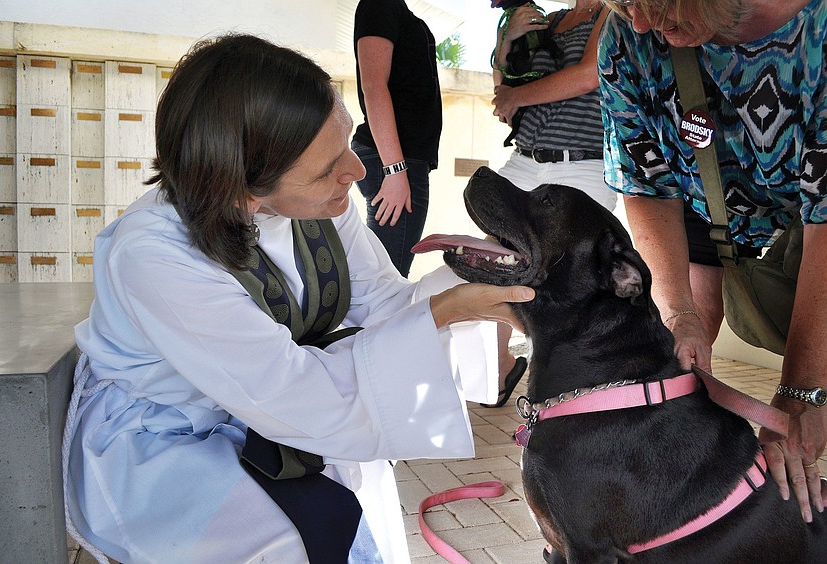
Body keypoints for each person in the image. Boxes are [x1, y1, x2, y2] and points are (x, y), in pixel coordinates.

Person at [62, 34, 533, 563]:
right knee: (283, 547)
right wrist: (445, 313)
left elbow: (384, 303)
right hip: (168, 435)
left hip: (270, 407)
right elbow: (292, 392)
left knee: (347, 522)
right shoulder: (154, 255)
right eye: (327, 166)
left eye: (348, 142)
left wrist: (475, 274)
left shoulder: (318, 204)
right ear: (243, 188)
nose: (356, 172)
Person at [597, 0, 827, 525]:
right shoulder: (630, 33)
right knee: (678, 366)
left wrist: (801, 391)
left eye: (650, 1)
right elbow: (646, 181)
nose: (636, 22)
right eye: (622, 3)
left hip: (812, 227)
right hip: (707, 207)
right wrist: (679, 315)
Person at [486, 0, 612, 408]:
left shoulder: (611, 13)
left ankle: (563, 391)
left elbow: (589, 75)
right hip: (525, 157)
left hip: (584, 161)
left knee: (563, 279)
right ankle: (499, 370)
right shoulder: (550, 19)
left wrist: (516, 97)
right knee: (491, 261)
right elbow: (504, 89)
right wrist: (507, 41)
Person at [351, 0, 441, 279]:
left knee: (387, 276)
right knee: (387, 281)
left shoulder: (394, 9)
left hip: (399, 160)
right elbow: (373, 86)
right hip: (393, 160)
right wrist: (394, 169)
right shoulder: (379, 5)